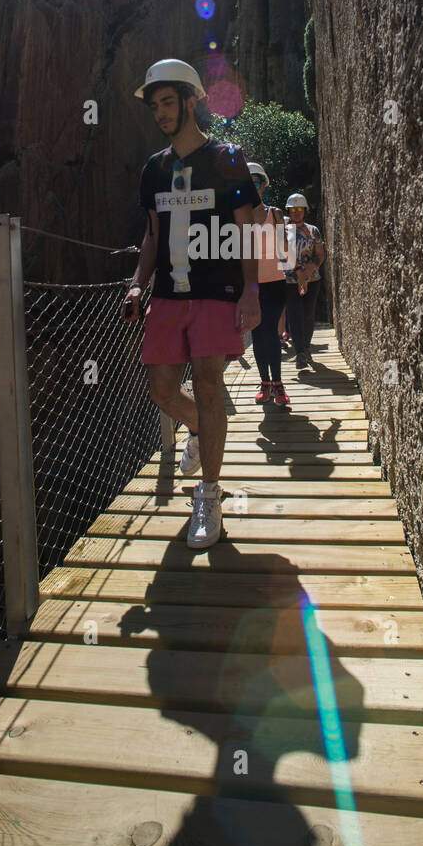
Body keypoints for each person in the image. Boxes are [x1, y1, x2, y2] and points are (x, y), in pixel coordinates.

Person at [121, 59, 262, 550]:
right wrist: (138, 283)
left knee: (207, 383)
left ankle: (209, 496)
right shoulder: (154, 170)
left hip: (216, 292)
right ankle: (203, 430)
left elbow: (248, 228)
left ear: (191, 99)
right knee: (160, 388)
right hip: (168, 296)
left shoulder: (227, 159)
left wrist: (252, 290)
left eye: (167, 103)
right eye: (154, 105)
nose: (160, 113)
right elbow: (152, 236)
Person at [246, 163, 290, 407]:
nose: (252, 185)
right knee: (257, 335)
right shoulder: (236, 215)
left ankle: (278, 384)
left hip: (275, 282)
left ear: (263, 185)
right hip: (251, 286)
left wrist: (294, 276)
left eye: (256, 181)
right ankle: (265, 383)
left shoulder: (276, 214)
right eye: (248, 181)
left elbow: (285, 249)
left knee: (271, 332)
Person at [283, 194, 325, 370]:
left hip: (312, 279)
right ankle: (300, 352)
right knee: (294, 315)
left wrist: (308, 271)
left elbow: (320, 254)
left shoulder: (313, 230)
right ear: (288, 211)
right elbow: (282, 256)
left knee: (308, 314)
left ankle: (306, 347)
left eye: (300, 209)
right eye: (293, 210)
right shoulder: (283, 231)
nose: (296, 213)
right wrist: (299, 273)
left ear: (305, 211)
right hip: (290, 281)